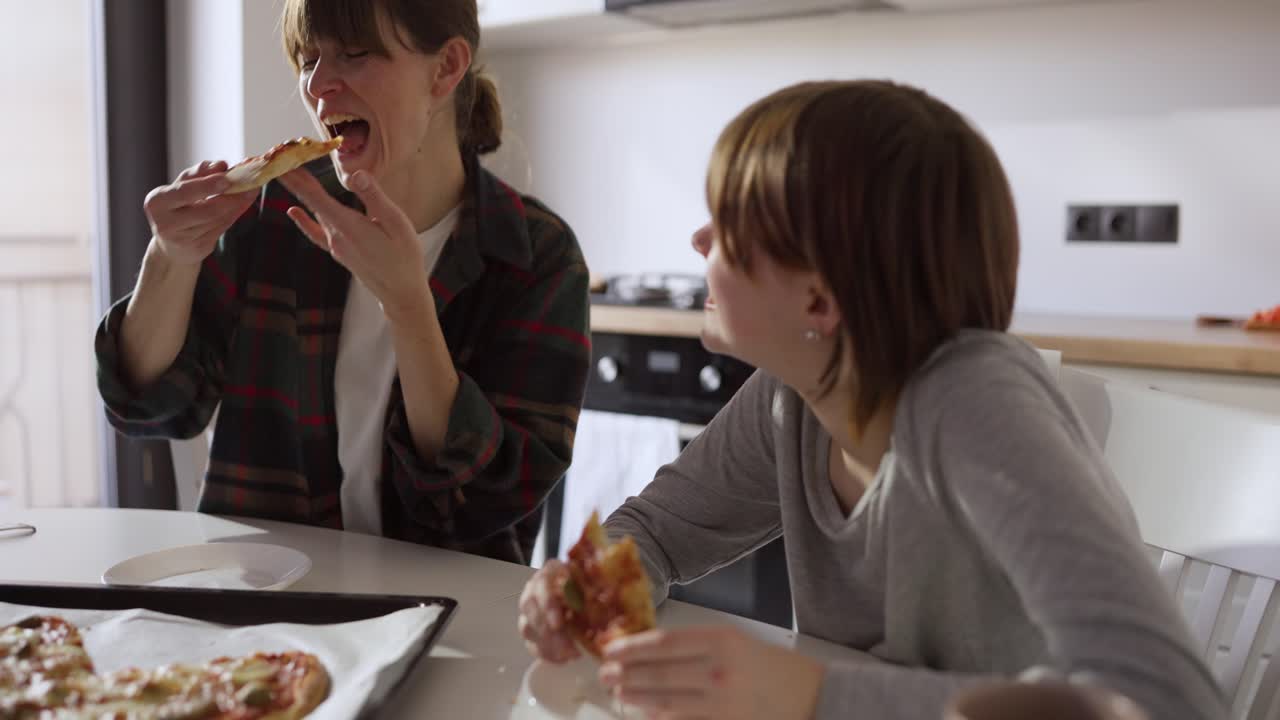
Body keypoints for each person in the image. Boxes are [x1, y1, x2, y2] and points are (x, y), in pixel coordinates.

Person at [517, 80, 1225, 719]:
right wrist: (581, 584)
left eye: (730, 225)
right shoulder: (791, 400)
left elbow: (1164, 701)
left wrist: (809, 693)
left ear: (819, 300)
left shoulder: (976, 404)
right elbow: (661, 532)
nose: (700, 239)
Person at [94, 0, 590, 565]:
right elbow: (151, 407)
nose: (319, 84)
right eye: (307, 60)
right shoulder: (271, 218)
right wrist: (171, 255)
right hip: (268, 618)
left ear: (446, 67)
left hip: (449, 621)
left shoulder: (536, 255)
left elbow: (486, 500)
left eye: (355, 55)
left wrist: (409, 307)